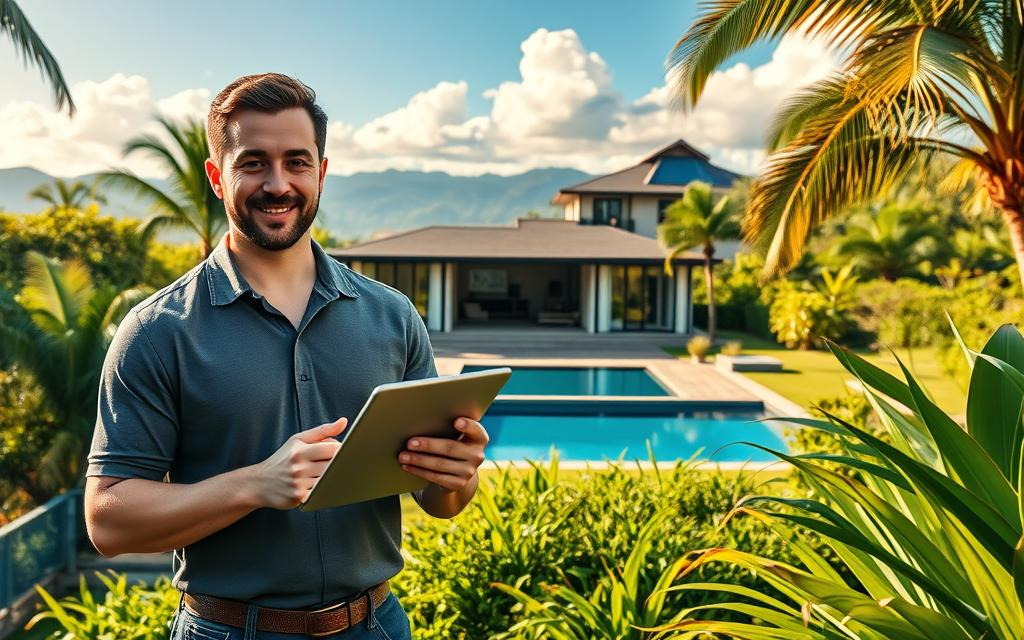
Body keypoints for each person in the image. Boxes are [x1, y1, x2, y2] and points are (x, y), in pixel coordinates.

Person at [84, 73, 490, 640]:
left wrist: (456, 473)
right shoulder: (157, 332)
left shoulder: (393, 316)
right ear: (216, 179)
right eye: (253, 163)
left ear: (321, 172)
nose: (279, 184)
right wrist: (255, 484)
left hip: (377, 625)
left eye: (297, 162)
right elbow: (108, 521)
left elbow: (440, 501)